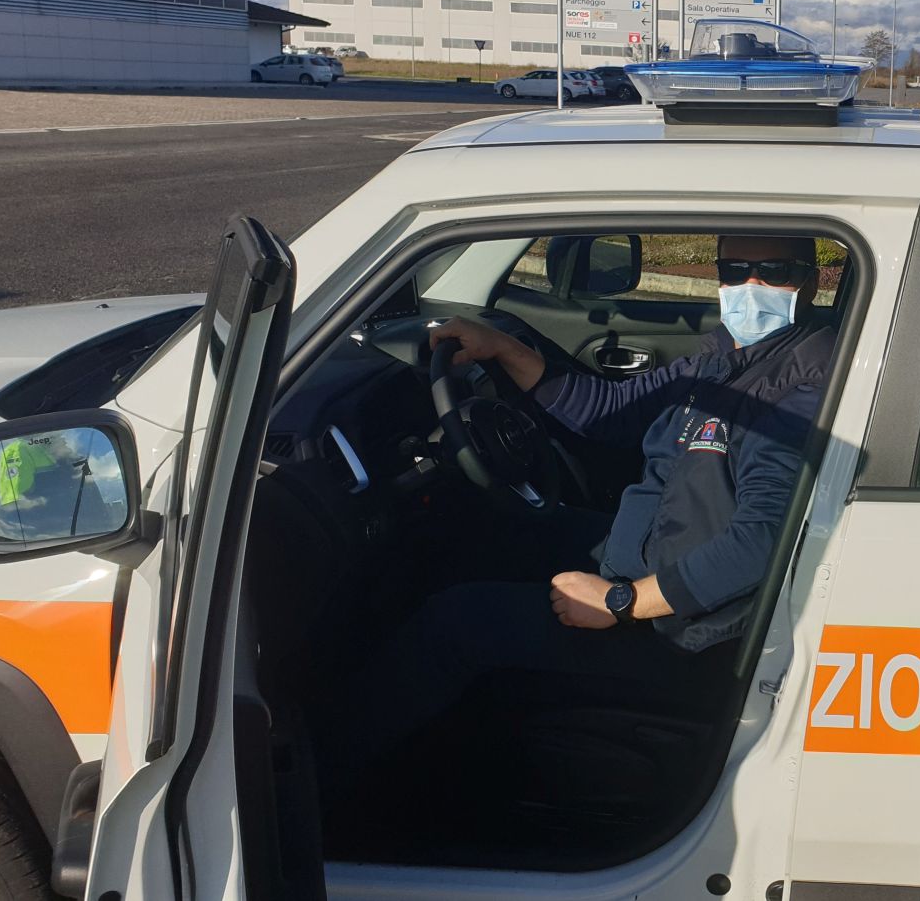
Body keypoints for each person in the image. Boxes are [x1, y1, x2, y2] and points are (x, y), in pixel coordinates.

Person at [322, 234, 834, 772]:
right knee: (480, 533)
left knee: (455, 624)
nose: (750, 285)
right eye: (734, 269)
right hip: (650, 550)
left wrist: (620, 602)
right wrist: (503, 348)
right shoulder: (727, 358)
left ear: (810, 281)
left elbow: (763, 542)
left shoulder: (802, 388)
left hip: (686, 632)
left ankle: (323, 771)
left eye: (774, 270)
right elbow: (611, 408)